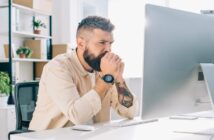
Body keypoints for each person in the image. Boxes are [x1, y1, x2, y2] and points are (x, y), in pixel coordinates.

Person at [29, 16, 138, 130]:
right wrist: (106, 79)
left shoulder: (103, 68)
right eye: (102, 43)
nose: (108, 49)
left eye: (110, 43)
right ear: (81, 43)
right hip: (48, 137)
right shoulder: (57, 67)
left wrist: (119, 78)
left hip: (90, 136)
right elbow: (77, 116)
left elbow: (130, 112)